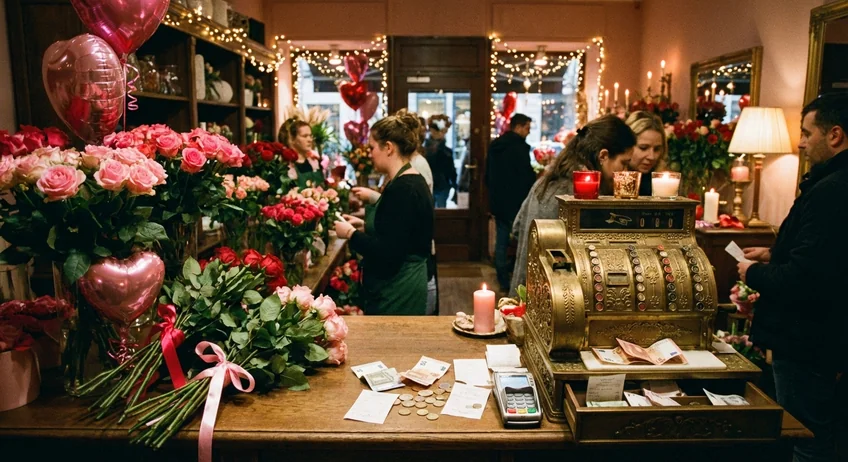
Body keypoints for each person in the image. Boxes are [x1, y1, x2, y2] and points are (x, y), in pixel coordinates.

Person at [737, 93, 848, 462]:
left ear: (834, 135)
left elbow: (806, 280)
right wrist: (773, 254)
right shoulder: (830, 183)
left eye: (806, 132)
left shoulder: (831, 191)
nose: (800, 142)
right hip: (819, 339)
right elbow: (824, 255)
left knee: (804, 436)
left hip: (808, 340)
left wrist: (753, 271)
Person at [509, 115, 636, 296]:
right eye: (624, 163)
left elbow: (517, 228)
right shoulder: (584, 197)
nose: (626, 172)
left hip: (524, 292)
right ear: (604, 156)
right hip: (557, 300)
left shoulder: (546, 181)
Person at [335, 110, 434, 315]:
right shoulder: (405, 181)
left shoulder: (404, 188)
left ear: (388, 147)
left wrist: (350, 234)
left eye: (372, 147)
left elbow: (388, 253)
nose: (369, 153)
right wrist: (363, 226)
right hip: (400, 281)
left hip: (399, 288)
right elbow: (397, 230)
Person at [486, 113, 535, 293]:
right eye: (527, 128)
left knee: (501, 241)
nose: (528, 133)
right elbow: (526, 178)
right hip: (517, 202)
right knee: (522, 242)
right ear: (519, 127)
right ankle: (517, 280)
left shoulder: (495, 146)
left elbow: (488, 175)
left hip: (499, 201)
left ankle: (502, 279)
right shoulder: (520, 148)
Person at [625, 111, 667, 196]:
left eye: (657, 149)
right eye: (643, 148)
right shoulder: (610, 182)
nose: (652, 157)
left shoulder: (665, 183)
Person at [279, 118, 323, 187]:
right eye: (305, 136)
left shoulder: (314, 163)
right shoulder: (286, 166)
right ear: (293, 139)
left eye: (310, 136)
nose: (310, 140)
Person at [424, 114, 456, 207]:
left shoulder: (445, 150)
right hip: (432, 184)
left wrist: (453, 184)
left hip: (441, 184)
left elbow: (451, 169)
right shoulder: (427, 149)